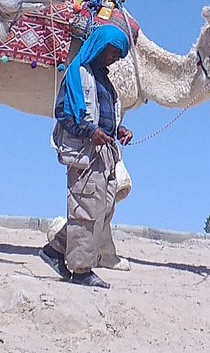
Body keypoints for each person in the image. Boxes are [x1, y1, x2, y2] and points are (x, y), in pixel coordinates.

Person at [39, 24, 133, 288]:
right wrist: (90, 132)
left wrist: (118, 129)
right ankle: (81, 271)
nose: (115, 58)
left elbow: (104, 116)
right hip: (84, 154)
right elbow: (64, 114)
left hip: (105, 154)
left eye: (119, 54)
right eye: (113, 51)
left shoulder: (105, 82)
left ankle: (55, 249)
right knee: (86, 210)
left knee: (102, 210)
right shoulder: (77, 75)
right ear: (100, 47)